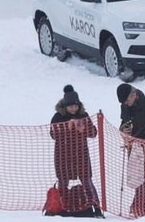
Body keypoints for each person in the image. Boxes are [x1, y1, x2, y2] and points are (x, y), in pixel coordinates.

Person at [50, 84, 103, 218]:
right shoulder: (58, 117)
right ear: (65, 106)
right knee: (63, 182)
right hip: (63, 157)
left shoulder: (83, 115)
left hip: (81, 156)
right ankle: (61, 207)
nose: (73, 109)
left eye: (75, 106)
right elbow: (53, 134)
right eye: (71, 106)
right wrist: (65, 128)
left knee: (87, 181)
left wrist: (83, 129)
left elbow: (94, 133)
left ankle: (96, 207)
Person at [117, 84, 145, 219]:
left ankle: (140, 207)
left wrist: (143, 136)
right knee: (138, 179)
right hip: (133, 148)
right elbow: (123, 122)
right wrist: (123, 129)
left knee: (143, 179)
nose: (126, 104)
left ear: (134, 95)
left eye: (127, 101)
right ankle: (140, 207)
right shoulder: (125, 106)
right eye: (124, 102)